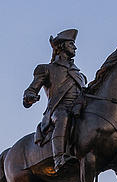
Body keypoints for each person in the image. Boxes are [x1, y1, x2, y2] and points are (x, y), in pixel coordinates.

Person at [23, 28, 87, 173]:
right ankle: (59, 158)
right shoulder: (46, 69)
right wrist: (30, 97)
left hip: (78, 108)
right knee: (63, 116)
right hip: (58, 110)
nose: (75, 47)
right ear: (62, 46)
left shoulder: (80, 75)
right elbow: (30, 90)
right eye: (71, 44)